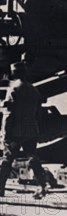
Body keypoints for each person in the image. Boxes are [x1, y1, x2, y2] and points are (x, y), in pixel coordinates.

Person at [0, 61, 48, 198]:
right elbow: (38, 112)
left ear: (13, 73)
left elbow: (8, 113)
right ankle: (42, 186)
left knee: (7, 159)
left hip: (15, 130)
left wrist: (5, 132)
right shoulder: (33, 89)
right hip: (31, 129)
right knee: (33, 157)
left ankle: (0, 189)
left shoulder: (14, 89)